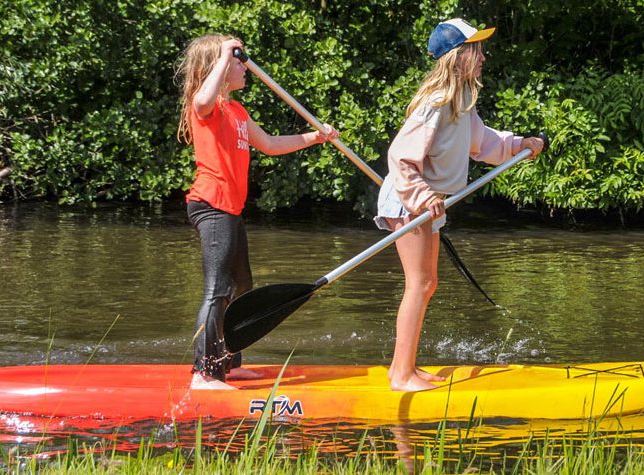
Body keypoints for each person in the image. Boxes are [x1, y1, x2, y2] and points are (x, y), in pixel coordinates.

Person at [376, 19, 545, 391]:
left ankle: (403, 367)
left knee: (428, 283)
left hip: (427, 203)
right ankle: (401, 376)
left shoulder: (461, 103)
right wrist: (421, 198)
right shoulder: (435, 104)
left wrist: (519, 144)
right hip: (410, 200)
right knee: (419, 284)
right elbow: (400, 157)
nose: (483, 56)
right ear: (459, 56)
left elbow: (483, 143)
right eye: (476, 49)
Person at [177, 34, 338, 389]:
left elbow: (270, 144)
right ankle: (204, 373)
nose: (244, 66)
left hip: (229, 209)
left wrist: (316, 137)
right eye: (239, 60)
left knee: (243, 287)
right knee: (218, 289)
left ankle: (228, 364)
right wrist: (224, 53)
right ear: (216, 65)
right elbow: (204, 97)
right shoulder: (205, 106)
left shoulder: (237, 112)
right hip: (210, 204)